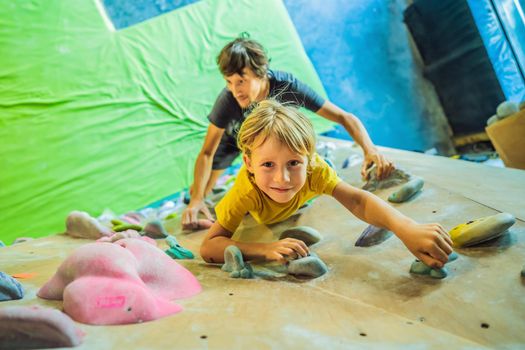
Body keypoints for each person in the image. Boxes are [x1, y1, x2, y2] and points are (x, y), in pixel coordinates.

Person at [200, 100, 453, 269]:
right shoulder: (246, 191)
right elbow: (209, 246)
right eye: (267, 165)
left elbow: (357, 199)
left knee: (324, 177)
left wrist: (406, 227)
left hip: (307, 184)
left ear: (309, 159)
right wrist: (263, 249)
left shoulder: (316, 170)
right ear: (249, 163)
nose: (283, 179)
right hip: (257, 216)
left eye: (293, 163)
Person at [183, 37, 394, 229]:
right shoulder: (229, 100)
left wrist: (370, 150)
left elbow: (344, 117)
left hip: (277, 143)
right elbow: (207, 153)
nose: (235, 90)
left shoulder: (287, 86)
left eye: (241, 81)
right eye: (229, 82)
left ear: (261, 73)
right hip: (235, 136)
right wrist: (196, 200)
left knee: (286, 172)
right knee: (199, 192)